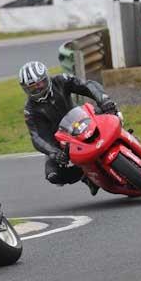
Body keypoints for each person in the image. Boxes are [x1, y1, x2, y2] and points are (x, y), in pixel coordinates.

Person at [19, 61, 119, 195]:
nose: (37, 88)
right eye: (32, 87)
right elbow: (36, 137)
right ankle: (87, 175)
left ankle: (123, 137)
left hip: (83, 119)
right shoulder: (30, 110)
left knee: (110, 111)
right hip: (61, 141)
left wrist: (104, 100)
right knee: (52, 175)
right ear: (25, 89)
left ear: (46, 78)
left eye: (40, 83)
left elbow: (87, 85)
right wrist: (54, 152)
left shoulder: (60, 80)